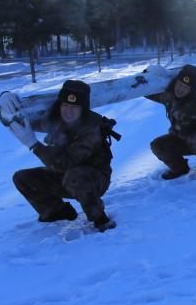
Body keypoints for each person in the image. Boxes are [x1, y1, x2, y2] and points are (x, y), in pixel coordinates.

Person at [8, 80, 118, 232]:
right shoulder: (56, 119)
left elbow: (64, 163)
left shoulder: (91, 129)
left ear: (83, 109)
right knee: (22, 178)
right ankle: (57, 211)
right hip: (65, 176)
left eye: (74, 107)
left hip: (94, 179)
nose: (68, 111)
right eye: (65, 105)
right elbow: (28, 123)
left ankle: (100, 218)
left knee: (75, 175)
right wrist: (7, 103)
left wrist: (33, 144)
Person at [146, 64, 196, 180]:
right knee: (158, 145)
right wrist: (149, 71)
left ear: (191, 90)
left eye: (185, 88)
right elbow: (148, 92)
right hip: (179, 139)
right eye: (179, 84)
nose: (180, 89)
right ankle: (180, 169)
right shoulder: (169, 96)